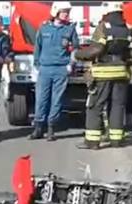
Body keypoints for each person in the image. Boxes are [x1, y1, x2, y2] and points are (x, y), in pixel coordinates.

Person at [73, 2, 132, 150]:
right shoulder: (128, 29)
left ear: (107, 12)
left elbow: (97, 49)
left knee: (95, 106)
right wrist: (125, 62)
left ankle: (92, 142)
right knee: (117, 106)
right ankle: (116, 141)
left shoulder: (103, 27)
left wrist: (79, 54)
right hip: (121, 74)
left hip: (102, 74)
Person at [29, 2, 79, 141]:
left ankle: (51, 129)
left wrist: (71, 64)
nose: (66, 14)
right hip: (45, 68)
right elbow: (37, 47)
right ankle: (38, 128)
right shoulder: (44, 28)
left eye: (68, 12)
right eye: (64, 11)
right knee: (41, 99)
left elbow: (75, 48)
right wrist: (37, 64)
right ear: (56, 12)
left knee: (56, 100)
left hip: (61, 69)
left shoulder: (69, 29)